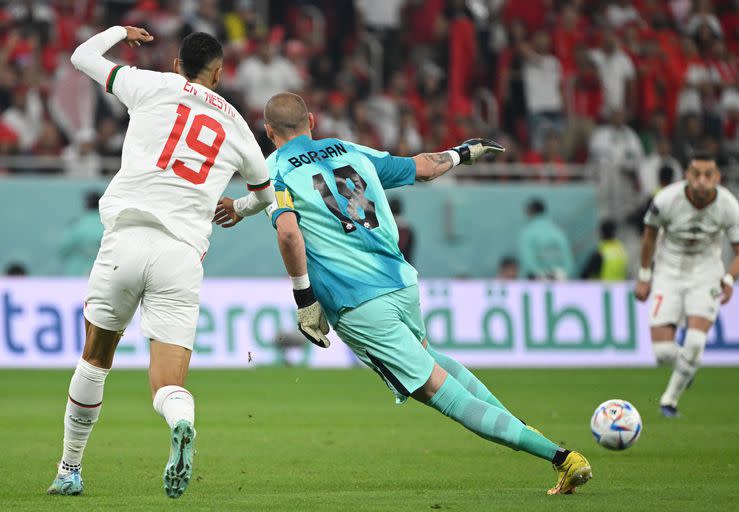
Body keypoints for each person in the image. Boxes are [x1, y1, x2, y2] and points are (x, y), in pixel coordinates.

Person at [215, 92, 592, 495]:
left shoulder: (274, 169)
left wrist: (305, 301)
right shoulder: (350, 150)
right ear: (312, 120)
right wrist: (463, 153)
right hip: (401, 282)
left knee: (436, 391)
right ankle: (537, 439)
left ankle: (560, 457)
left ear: (268, 132)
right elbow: (425, 168)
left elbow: (289, 232)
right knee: (431, 361)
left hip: (357, 302)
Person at [48, 27, 274, 498]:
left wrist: (119, 32)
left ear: (178, 65)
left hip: (126, 238)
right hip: (181, 255)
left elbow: (80, 56)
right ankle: (182, 420)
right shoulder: (236, 124)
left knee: (95, 358)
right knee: (168, 382)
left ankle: (69, 470)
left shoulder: (149, 84)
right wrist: (239, 208)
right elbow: (265, 194)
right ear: (218, 73)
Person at [634, 153, 739, 418]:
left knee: (695, 342)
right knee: (663, 353)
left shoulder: (728, 205)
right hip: (668, 273)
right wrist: (643, 275)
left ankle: (669, 401)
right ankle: (687, 367)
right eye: (696, 174)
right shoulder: (666, 200)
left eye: (708, 175)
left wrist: (729, 278)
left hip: (706, 274)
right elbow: (649, 238)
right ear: (687, 175)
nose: (701, 181)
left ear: (717, 177)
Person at [517, 198, 575, 280]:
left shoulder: (527, 233)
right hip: (558, 281)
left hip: (534, 282)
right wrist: (562, 273)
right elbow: (568, 260)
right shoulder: (558, 232)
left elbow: (528, 260)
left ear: (530, 211)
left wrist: (541, 275)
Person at [59, 191, 104, 276]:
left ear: (86, 205)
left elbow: (63, 251)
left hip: (76, 275)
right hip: (104, 275)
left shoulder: (76, 226)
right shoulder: (110, 225)